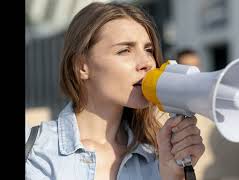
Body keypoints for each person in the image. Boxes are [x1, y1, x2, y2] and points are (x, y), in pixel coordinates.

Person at [25, 2, 205, 180]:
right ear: (82, 66)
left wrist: (173, 176)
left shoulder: (158, 157)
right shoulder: (36, 151)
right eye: (125, 50)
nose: (148, 63)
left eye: (148, 50)